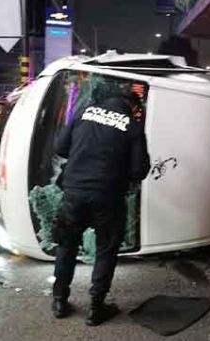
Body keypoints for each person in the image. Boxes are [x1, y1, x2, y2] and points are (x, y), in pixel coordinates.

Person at [52, 82, 150, 326]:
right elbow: (139, 170)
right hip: (108, 196)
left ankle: (59, 300)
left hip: (73, 194)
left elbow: (60, 148)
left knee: (67, 245)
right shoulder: (132, 125)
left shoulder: (83, 112)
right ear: (131, 104)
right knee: (106, 250)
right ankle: (96, 308)